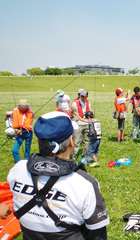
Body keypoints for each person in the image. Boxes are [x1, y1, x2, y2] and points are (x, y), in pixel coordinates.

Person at [7, 111, 109, 240]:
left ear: (38, 141)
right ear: (71, 141)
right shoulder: (85, 183)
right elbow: (98, 232)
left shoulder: (18, 169)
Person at [11, 99, 34, 163]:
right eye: (21, 107)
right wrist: (16, 130)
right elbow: (10, 122)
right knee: (14, 150)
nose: (23, 109)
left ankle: (26, 162)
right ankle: (18, 163)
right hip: (20, 133)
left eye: (24, 107)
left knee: (27, 149)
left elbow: (31, 119)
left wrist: (31, 125)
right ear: (19, 106)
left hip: (29, 132)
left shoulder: (30, 111)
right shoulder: (14, 112)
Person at [72, 89, 91, 160]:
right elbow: (72, 112)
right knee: (77, 141)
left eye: (84, 96)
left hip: (86, 123)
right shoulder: (75, 103)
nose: (82, 98)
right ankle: (73, 156)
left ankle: (85, 154)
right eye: (81, 96)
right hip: (78, 124)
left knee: (87, 140)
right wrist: (71, 111)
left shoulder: (88, 103)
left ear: (87, 96)